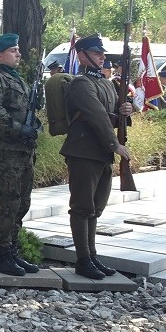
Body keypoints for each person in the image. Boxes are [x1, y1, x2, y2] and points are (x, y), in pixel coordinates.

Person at [60, 34, 133, 280]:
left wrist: (127, 110)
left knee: (96, 208)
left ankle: (92, 256)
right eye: (96, 53)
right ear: (82, 56)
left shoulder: (106, 83)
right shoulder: (81, 83)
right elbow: (96, 115)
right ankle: (83, 260)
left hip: (101, 153)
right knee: (82, 207)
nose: (102, 57)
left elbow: (112, 114)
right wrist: (115, 144)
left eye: (102, 53)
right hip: (83, 151)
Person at [0, 33, 40, 276]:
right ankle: (2, 255)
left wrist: (33, 126)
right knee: (8, 203)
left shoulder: (18, 80)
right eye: (13, 50)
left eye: (17, 49)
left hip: (23, 150)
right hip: (5, 151)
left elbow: (25, 111)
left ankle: (13, 250)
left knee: (22, 202)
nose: (18, 54)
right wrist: (18, 129)